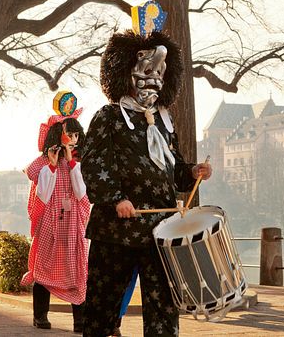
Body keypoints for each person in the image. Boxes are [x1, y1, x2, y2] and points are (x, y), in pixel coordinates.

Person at [81, 28, 212, 336]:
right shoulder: (109, 117)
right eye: (146, 70)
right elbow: (95, 165)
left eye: (160, 72)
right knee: (103, 304)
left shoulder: (165, 120)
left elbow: (174, 169)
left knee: (164, 305)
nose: (153, 78)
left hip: (160, 229)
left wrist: (193, 172)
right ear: (126, 72)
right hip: (117, 229)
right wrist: (115, 199)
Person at [21, 97, 90, 333]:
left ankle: (80, 318)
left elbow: (82, 193)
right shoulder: (42, 162)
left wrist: (71, 163)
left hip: (73, 224)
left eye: (76, 135)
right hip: (50, 221)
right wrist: (51, 165)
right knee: (43, 267)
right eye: (68, 135)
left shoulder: (80, 163)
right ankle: (40, 315)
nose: (73, 140)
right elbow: (43, 193)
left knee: (77, 269)